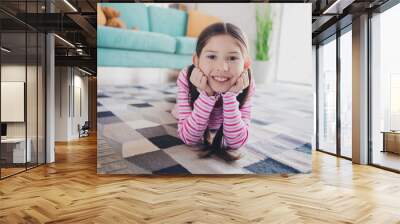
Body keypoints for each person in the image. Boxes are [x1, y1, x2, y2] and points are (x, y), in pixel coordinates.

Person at [176, 22, 255, 162]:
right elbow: (189, 138)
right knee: (177, 111)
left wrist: (231, 97)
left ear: (246, 64)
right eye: (212, 57)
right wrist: (207, 95)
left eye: (232, 58)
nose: (222, 67)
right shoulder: (186, 77)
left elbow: (236, 142)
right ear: (196, 60)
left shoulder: (246, 83)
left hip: (222, 113)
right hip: (196, 106)